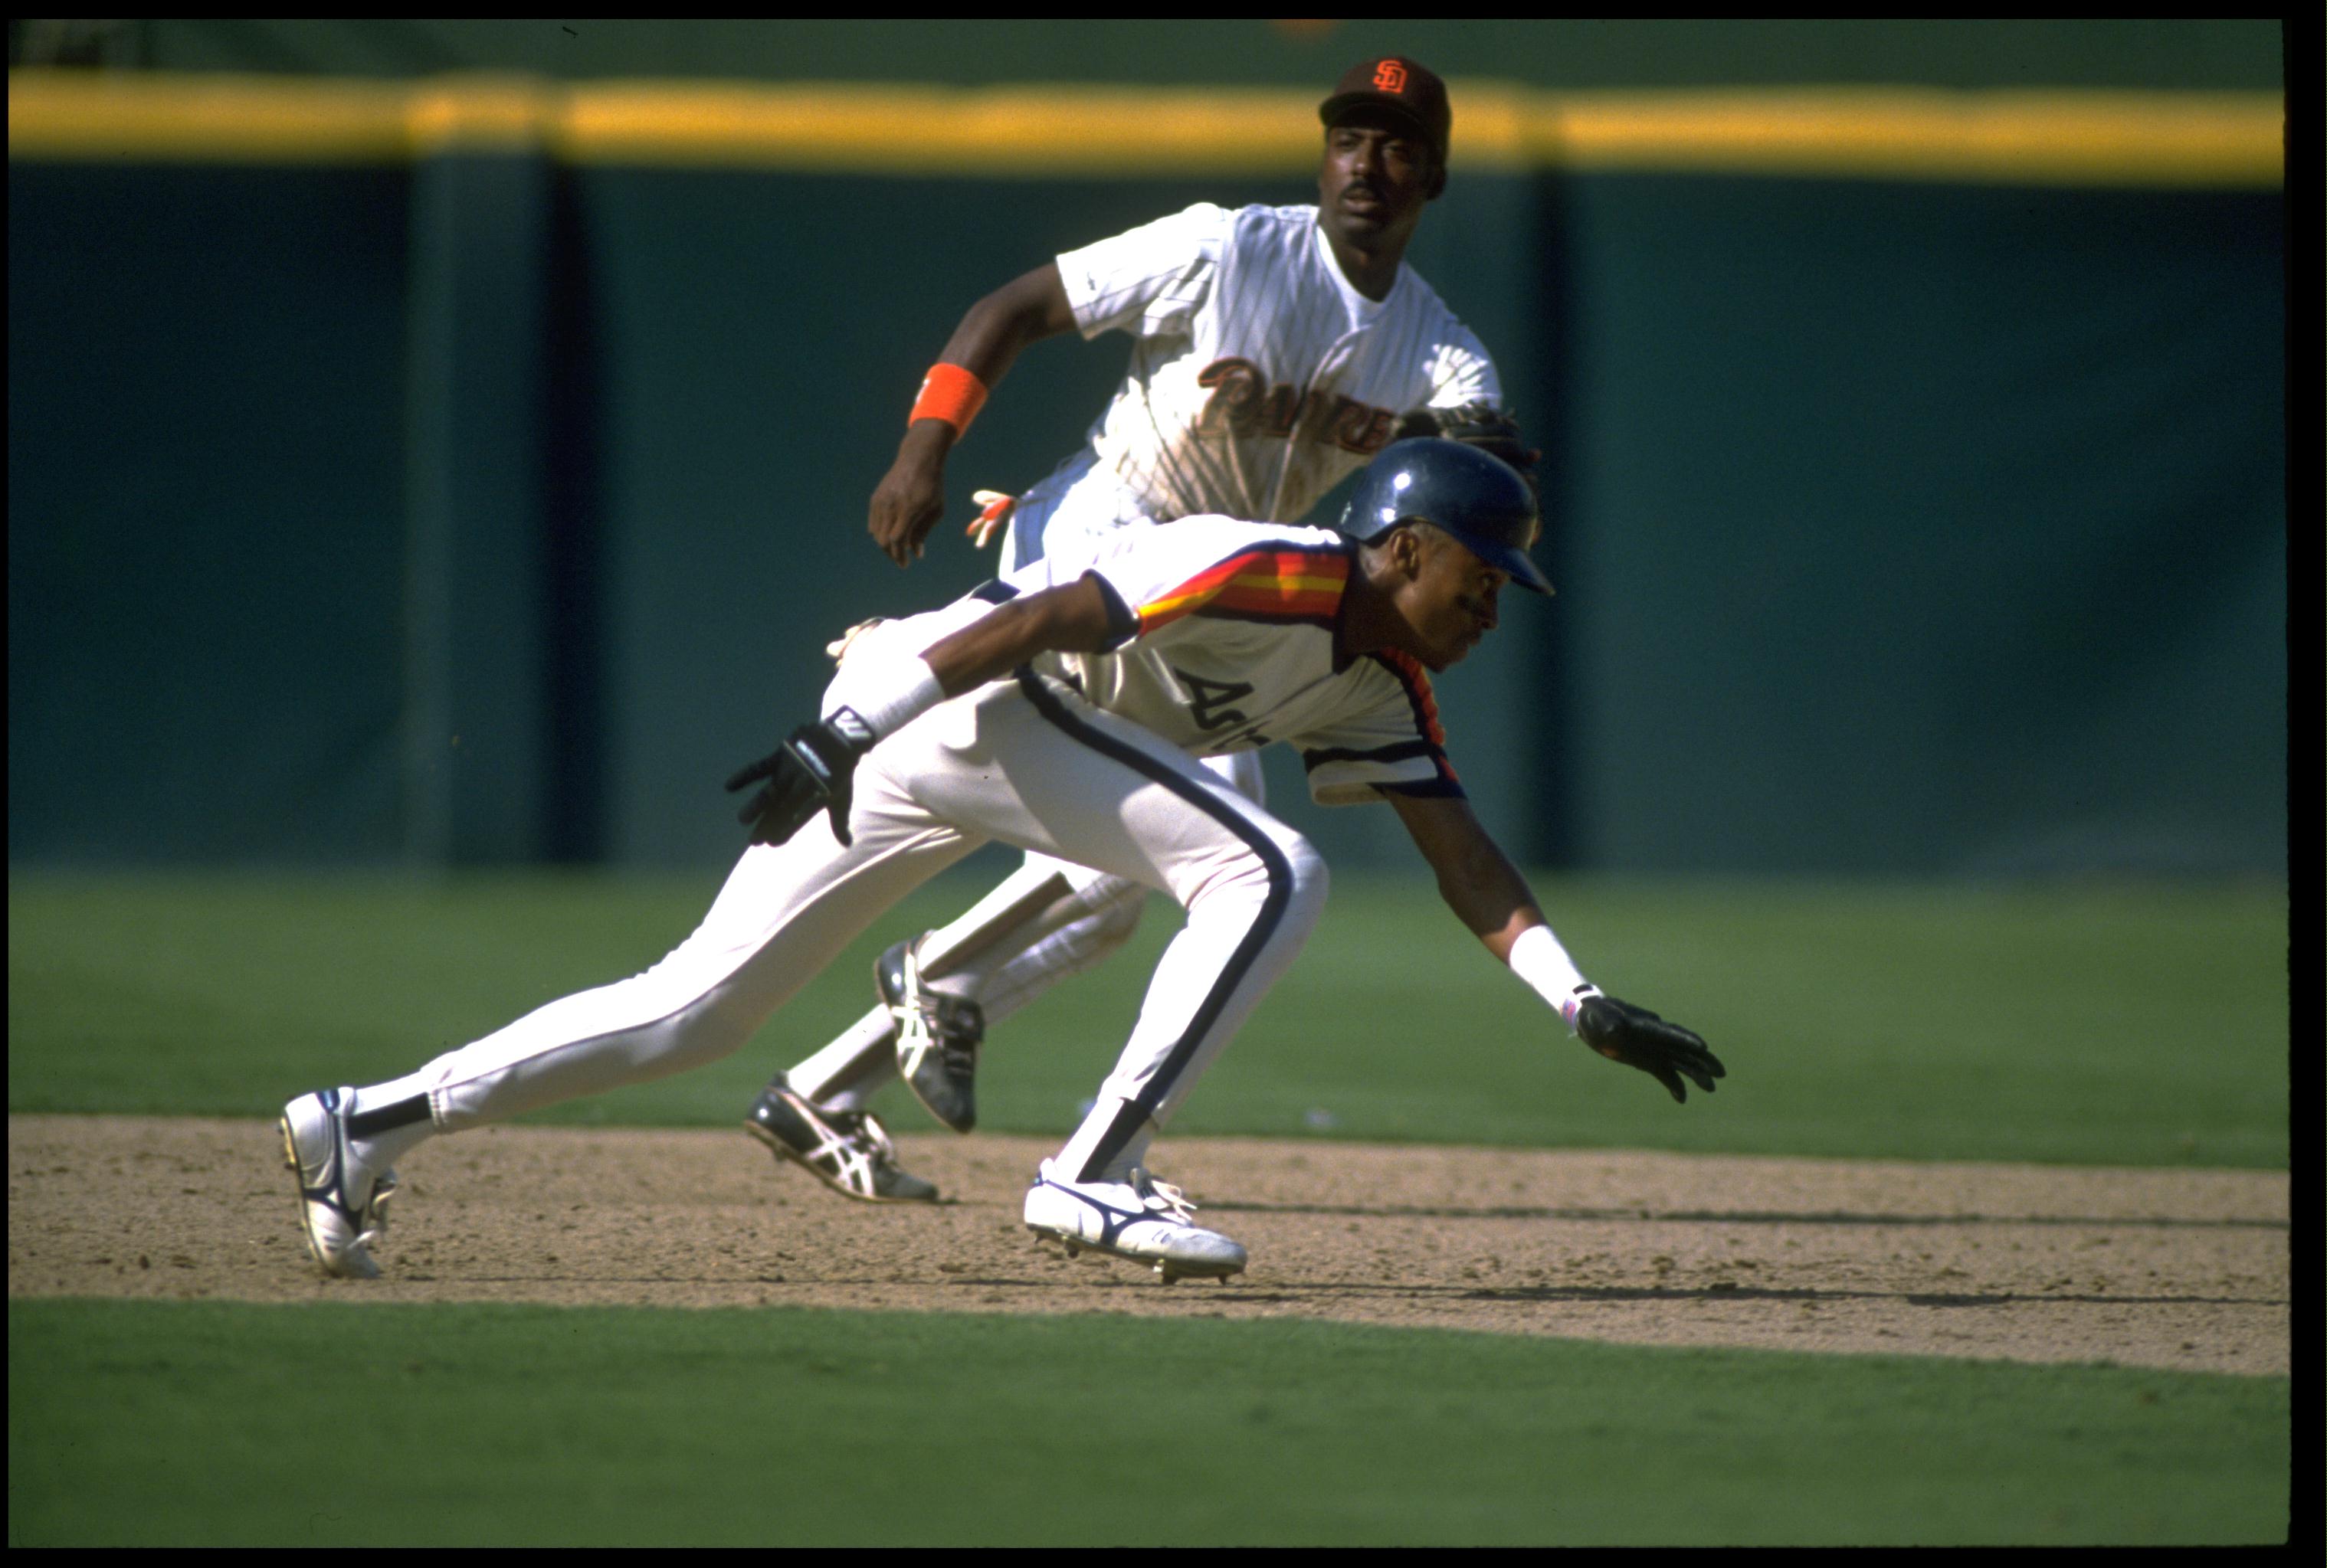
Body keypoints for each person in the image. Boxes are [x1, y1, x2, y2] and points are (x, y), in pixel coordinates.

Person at [279, 440, 1724, 1285]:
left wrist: (1575, 999)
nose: (1494, 606)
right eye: (1484, 576)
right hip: (962, 702)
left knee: (693, 1015)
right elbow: (1039, 618)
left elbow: (1460, 851)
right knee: (1266, 871)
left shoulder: (1381, 683)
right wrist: (842, 728)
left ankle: (368, 1121)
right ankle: (1094, 1170)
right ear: (1406, 547)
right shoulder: (1274, 564)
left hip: (979, 740)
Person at [743, 54, 1548, 1202]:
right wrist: (923, 451)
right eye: (1348, 138)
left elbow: (1482, 467)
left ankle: (830, 1079)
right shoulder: (1227, 247)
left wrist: (1492, 455)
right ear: (1323, 156)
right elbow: (1011, 311)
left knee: (1128, 898)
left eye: (1396, 145)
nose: (1367, 163)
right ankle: (938, 995)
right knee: (1225, 849)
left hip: (1224, 583)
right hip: (1098, 538)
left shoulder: (1439, 347)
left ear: (1434, 174)